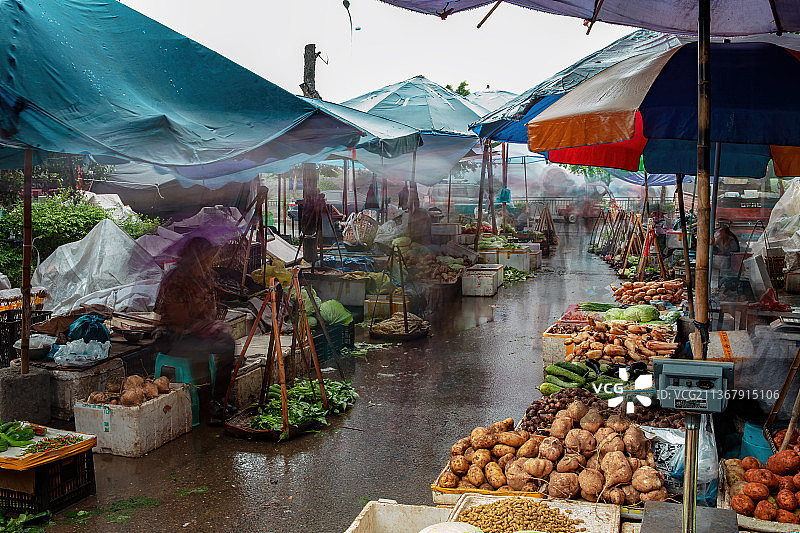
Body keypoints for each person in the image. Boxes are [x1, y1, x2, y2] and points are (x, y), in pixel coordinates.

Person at [154, 237, 236, 422]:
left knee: (227, 343)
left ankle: (220, 399)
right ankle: (205, 404)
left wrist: (213, 324)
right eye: (206, 257)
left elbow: (211, 310)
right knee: (199, 350)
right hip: (172, 335)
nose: (210, 261)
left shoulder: (205, 278)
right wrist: (199, 326)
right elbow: (178, 317)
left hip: (197, 333)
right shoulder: (176, 280)